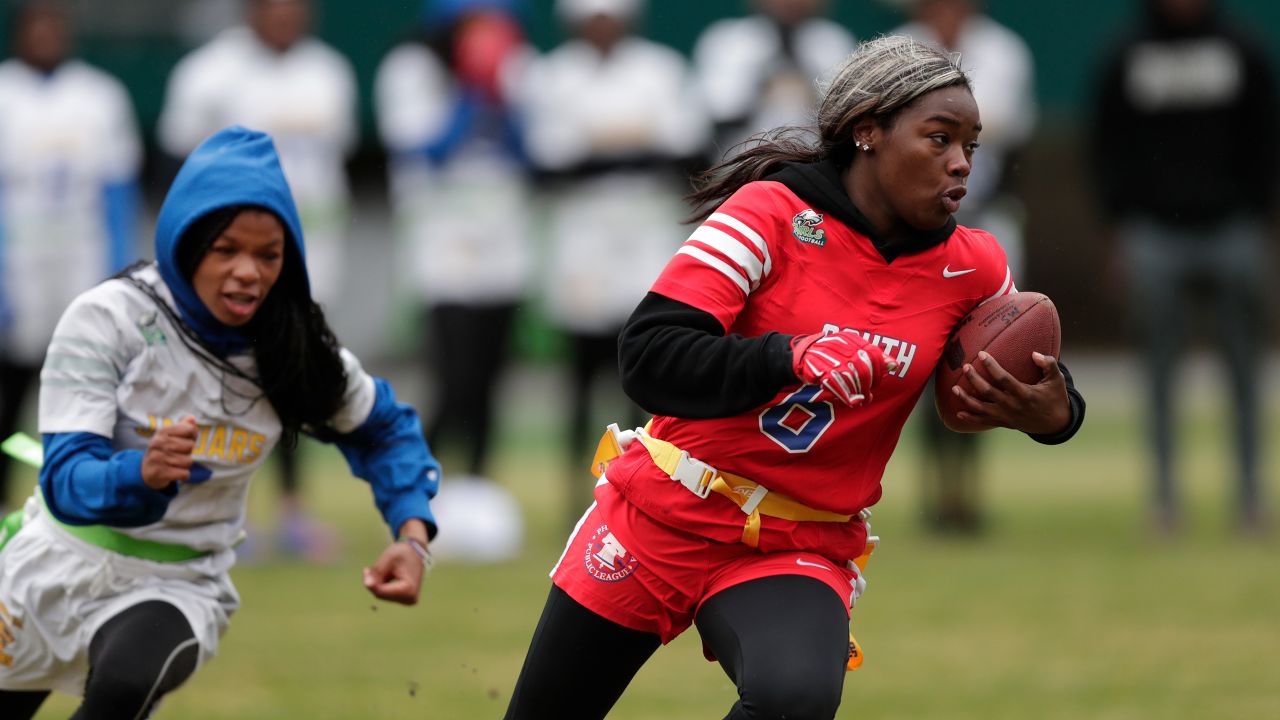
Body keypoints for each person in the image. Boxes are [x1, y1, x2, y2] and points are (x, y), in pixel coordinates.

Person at [504, 36, 1085, 719]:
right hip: (666, 513)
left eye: (971, 146)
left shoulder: (975, 265)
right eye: (938, 139)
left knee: (794, 703)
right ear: (866, 132)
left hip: (796, 539)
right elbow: (650, 355)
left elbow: (1036, 382)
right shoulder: (769, 214)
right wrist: (787, 355)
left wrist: (1054, 414)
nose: (961, 164)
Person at [0, 125, 439, 718]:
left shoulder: (292, 344)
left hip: (178, 582)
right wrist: (141, 474)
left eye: (268, 255)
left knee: (126, 685)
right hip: (53, 563)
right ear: (186, 240)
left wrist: (413, 538)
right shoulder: (109, 317)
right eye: (225, 249)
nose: (248, 273)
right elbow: (65, 477)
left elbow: (383, 428)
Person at [156, 0, 359, 561]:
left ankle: (293, 513)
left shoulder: (328, 72)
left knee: (291, 381)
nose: (287, 13)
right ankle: (211, 513)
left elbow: (334, 164)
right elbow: (177, 169)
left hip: (309, 255)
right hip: (230, 263)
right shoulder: (208, 74)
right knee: (219, 382)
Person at [1090, 0, 1277, 535]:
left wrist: (1258, 218)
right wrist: (1117, 231)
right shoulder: (1127, 52)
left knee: (1245, 370)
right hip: (1153, 233)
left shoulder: (1241, 47)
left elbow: (1264, 135)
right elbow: (1107, 146)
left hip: (1232, 229)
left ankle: (1250, 498)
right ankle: (1165, 500)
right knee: (1159, 372)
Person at [523, 0, 710, 525]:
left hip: (643, 238)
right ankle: (576, 493)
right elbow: (550, 163)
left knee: (642, 367)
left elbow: (684, 151)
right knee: (582, 371)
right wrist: (631, 152)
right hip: (583, 241)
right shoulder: (553, 75)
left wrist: (598, 155)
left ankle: (640, 488)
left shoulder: (660, 70)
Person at [374, 0, 534, 562]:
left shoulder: (515, 66)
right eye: (470, 28)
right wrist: (473, 89)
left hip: (502, 239)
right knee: (455, 378)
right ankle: (413, 496)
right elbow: (427, 151)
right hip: (443, 244)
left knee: (491, 379)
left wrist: (501, 93)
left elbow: (527, 150)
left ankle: (478, 496)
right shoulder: (410, 71)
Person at [893, 0, 1038, 533]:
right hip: (916, 223)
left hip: (984, 215)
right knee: (918, 357)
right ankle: (933, 494)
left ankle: (968, 495)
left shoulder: (1002, 51)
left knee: (981, 357)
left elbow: (1013, 136)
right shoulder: (899, 51)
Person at [0, 0, 142, 512]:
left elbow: (117, 188)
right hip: (20, 259)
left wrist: (119, 265)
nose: (46, 35)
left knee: (92, 379)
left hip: (82, 255)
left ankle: (91, 495)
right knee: (13, 381)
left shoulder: (100, 97)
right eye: (35, 26)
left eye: (53, 25)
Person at [691, 0, 856, 161]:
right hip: (741, 163)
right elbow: (715, 117)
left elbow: (844, 119)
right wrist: (763, 85)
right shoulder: (728, 40)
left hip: (815, 163)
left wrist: (809, 89)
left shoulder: (835, 42)